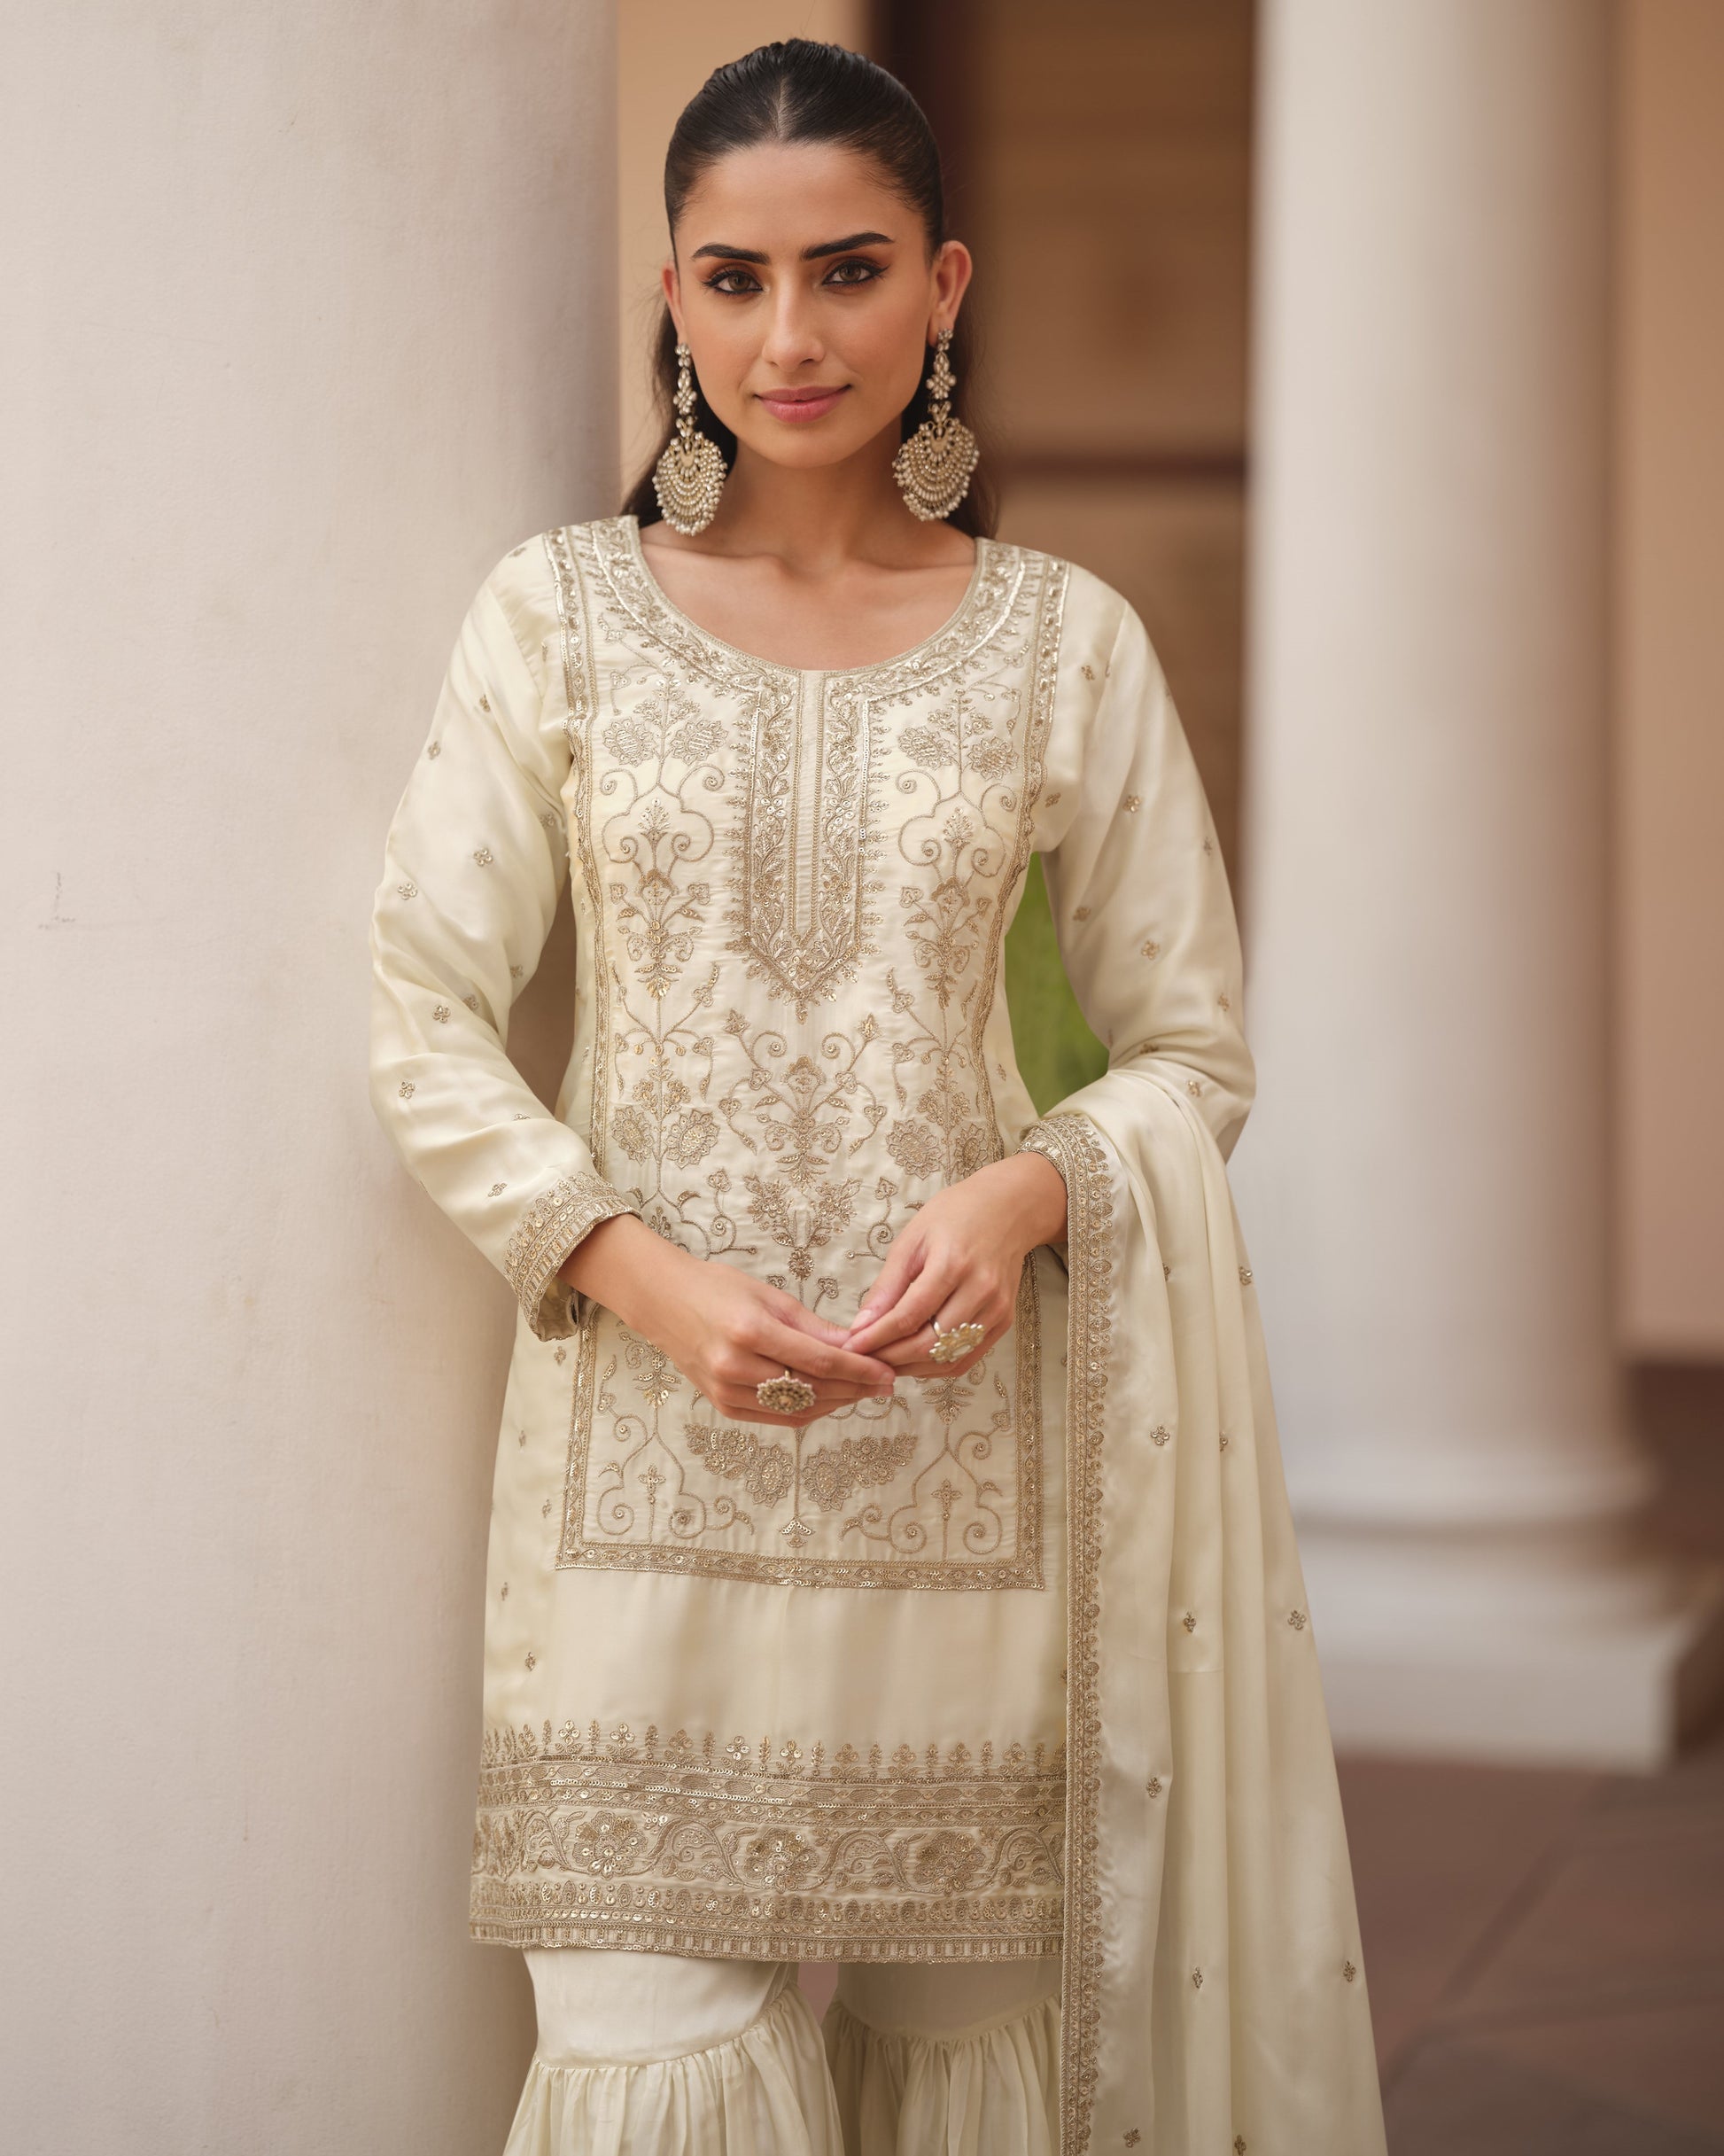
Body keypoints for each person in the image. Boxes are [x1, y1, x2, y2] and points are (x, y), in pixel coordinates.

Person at [369, 37, 1387, 2156]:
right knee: (647, 2068)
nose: (790, 334)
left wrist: (1027, 1195)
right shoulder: (551, 620)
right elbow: (421, 1009)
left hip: (976, 1498)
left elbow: (1192, 1048)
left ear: (945, 284)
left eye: (845, 272)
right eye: (732, 280)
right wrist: (626, 1265)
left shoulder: (1063, 646)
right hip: (633, 1487)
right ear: (670, 297)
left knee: (979, 2086)